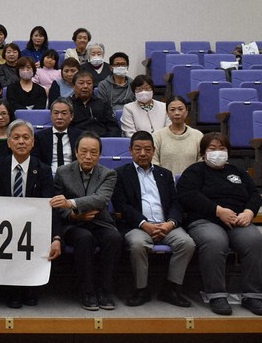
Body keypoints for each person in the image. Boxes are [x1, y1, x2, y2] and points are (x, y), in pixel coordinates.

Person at [176, 132, 262, 316]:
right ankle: (216, 294)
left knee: (254, 240)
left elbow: (254, 195)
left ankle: (252, 294)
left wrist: (249, 212)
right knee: (215, 241)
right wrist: (218, 210)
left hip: (238, 220)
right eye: (212, 149)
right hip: (205, 220)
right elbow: (187, 195)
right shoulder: (195, 171)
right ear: (203, 152)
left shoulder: (237, 172)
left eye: (222, 149)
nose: (218, 152)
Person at [112, 131, 195, 308]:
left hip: (166, 225)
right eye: (138, 149)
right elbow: (122, 205)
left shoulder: (165, 174)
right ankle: (141, 289)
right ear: (130, 150)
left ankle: (172, 289)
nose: (143, 153)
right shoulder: (120, 174)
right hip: (137, 226)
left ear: (153, 151)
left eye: (147, 149)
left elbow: (175, 203)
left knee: (187, 243)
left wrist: (170, 223)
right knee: (138, 245)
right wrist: (144, 224)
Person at [0, 119, 55, 308]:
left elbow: (49, 206)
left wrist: (55, 237)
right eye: (16, 137)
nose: (21, 142)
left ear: (33, 142)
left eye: (25, 137)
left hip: (33, 228)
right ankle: (12, 291)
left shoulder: (44, 170)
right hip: (1, 225)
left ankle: (29, 289)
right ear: (8, 142)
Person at [49, 131, 121, 311]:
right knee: (84, 238)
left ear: (100, 154)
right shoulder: (63, 172)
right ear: (76, 152)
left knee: (114, 237)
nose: (88, 156)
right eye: (84, 151)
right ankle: (87, 291)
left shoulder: (108, 173)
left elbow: (100, 199)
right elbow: (58, 207)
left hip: (100, 222)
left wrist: (71, 203)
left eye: (94, 152)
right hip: (73, 223)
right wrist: (74, 215)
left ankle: (105, 290)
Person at [152, 96, 203, 176]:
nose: (177, 113)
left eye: (180, 109)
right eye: (172, 110)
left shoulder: (197, 135)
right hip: (165, 184)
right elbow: (154, 163)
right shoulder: (157, 136)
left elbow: (201, 163)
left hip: (191, 184)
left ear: (186, 112)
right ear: (167, 113)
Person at [33, 98, 84, 174]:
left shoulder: (80, 136)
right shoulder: (39, 137)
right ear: (51, 115)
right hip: (48, 177)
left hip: (74, 177)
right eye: (56, 113)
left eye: (64, 113)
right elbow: (36, 162)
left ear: (71, 116)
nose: (59, 117)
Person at [70, 71, 120, 137]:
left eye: (89, 83)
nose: (85, 86)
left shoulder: (103, 103)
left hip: (101, 140)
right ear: (74, 86)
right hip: (77, 141)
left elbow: (113, 127)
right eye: (81, 83)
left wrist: (108, 142)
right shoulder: (67, 104)